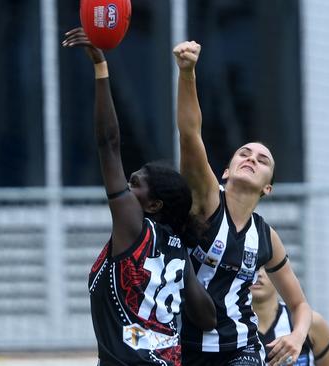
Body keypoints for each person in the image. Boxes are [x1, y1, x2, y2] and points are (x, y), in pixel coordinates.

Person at [62, 28, 217, 366]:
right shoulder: (177, 249)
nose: (126, 191)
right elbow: (207, 317)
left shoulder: (135, 227)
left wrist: (101, 69)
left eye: (135, 186)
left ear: (153, 206)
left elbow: (108, 144)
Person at [173, 40, 313, 366]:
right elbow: (190, 134)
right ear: (225, 171)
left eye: (262, 160)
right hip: (184, 347)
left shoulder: (266, 236)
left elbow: (300, 305)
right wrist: (187, 73)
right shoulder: (207, 199)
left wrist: (296, 336)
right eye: (243, 154)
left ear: (267, 188)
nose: (252, 158)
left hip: (241, 351)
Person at [251, 268, 329, 366]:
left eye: (265, 266)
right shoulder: (231, 326)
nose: (259, 273)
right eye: (254, 266)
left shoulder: (312, 323)